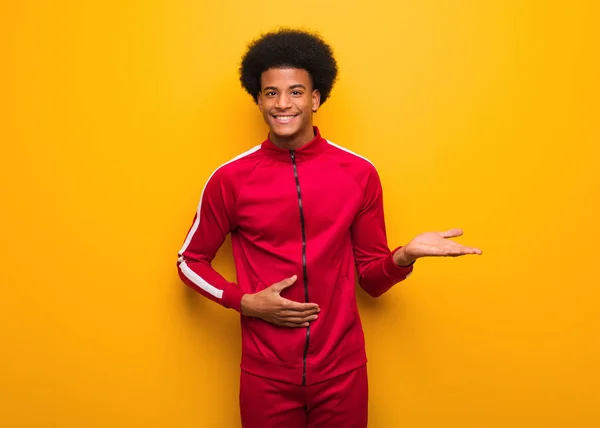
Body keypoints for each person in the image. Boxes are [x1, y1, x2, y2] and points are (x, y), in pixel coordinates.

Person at [177, 28, 482, 428]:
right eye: (271, 93)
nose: (283, 103)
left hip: (343, 373)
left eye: (296, 92)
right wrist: (243, 301)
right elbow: (188, 261)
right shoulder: (230, 179)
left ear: (317, 98)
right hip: (265, 376)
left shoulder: (359, 173)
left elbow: (371, 279)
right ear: (258, 99)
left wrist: (403, 257)